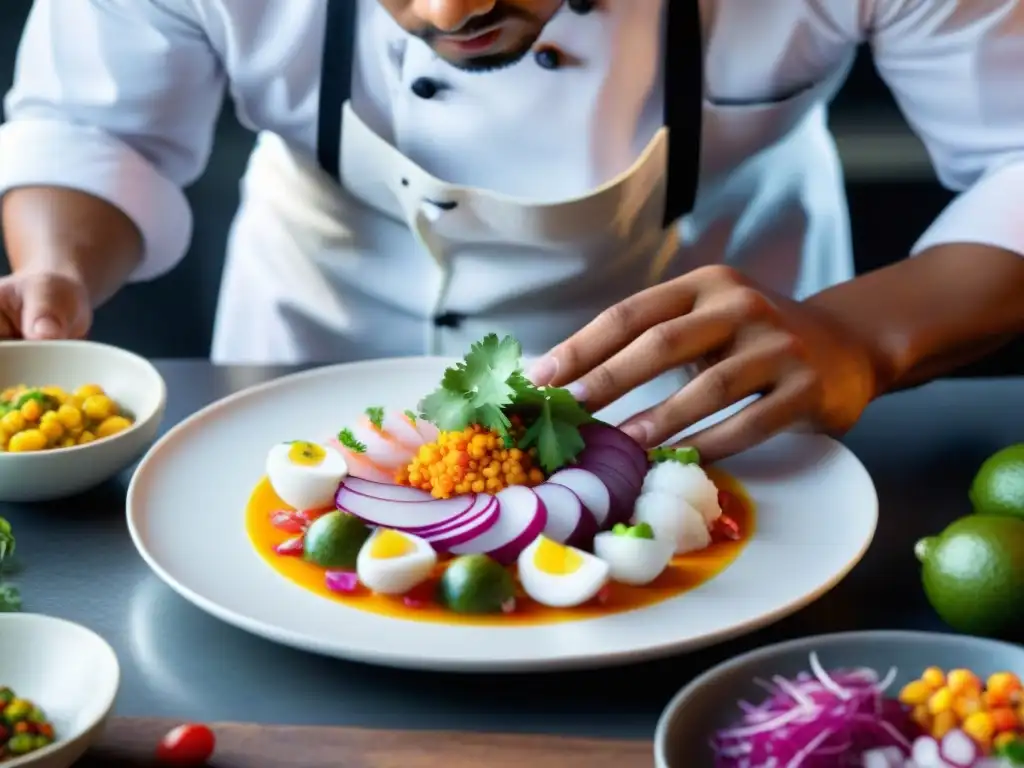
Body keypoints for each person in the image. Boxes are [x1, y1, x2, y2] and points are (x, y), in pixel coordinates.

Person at [0, 1, 1022, 462]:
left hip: (723, 389)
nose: (449, 11)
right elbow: (94, 125)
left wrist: (865, 335)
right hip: (306, 350)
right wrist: (57, 270)